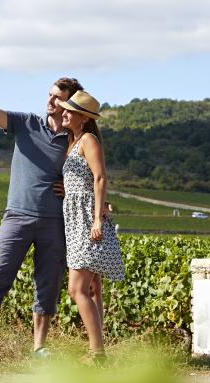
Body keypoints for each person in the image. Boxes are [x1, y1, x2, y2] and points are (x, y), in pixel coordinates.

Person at [0, 58, 83, 364]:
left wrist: (72, 186)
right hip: (18, 215)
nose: (50, 100)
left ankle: (39, 348)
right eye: (50, 94)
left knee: (48, 283)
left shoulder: (76, 139)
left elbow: (93, 174)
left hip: (55, 221)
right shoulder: (26, 123)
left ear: (70, 105)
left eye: (57, 97)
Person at [58, 91, 125, 364]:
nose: (64, 113)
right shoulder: (74, 141)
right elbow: (83, 179)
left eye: (69, 110)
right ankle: (97, 352)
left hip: (87, 219)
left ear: (83, 118)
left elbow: (99, 178)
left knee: (77, 289)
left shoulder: (88, 139)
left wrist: (97, 218)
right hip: (75, 218)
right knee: (92, 287)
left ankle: (97, 353)